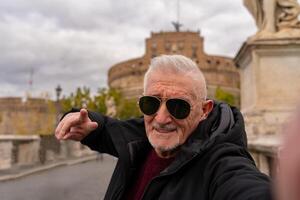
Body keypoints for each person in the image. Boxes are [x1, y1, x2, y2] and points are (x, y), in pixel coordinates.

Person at [55, 55, 272, 200]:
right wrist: (85, 122)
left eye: (178, 107)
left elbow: (246, 186)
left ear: (204, 110)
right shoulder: (141, 139)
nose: (161, 118)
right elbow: (108, 128)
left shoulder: (221, 162)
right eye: (150, 104)